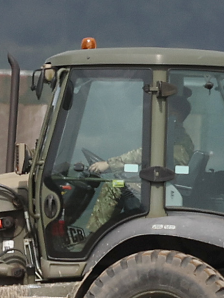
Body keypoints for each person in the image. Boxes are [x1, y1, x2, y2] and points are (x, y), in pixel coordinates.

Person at [73, 90, 197, 239]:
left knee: (114, 185)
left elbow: (145, 153)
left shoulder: (174, 137)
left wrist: (109, 164)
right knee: (118, 181)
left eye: (166, 112)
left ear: (175, 115)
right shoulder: (176, 137)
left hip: (162, 188)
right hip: (161, 184)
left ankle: (95, 237)